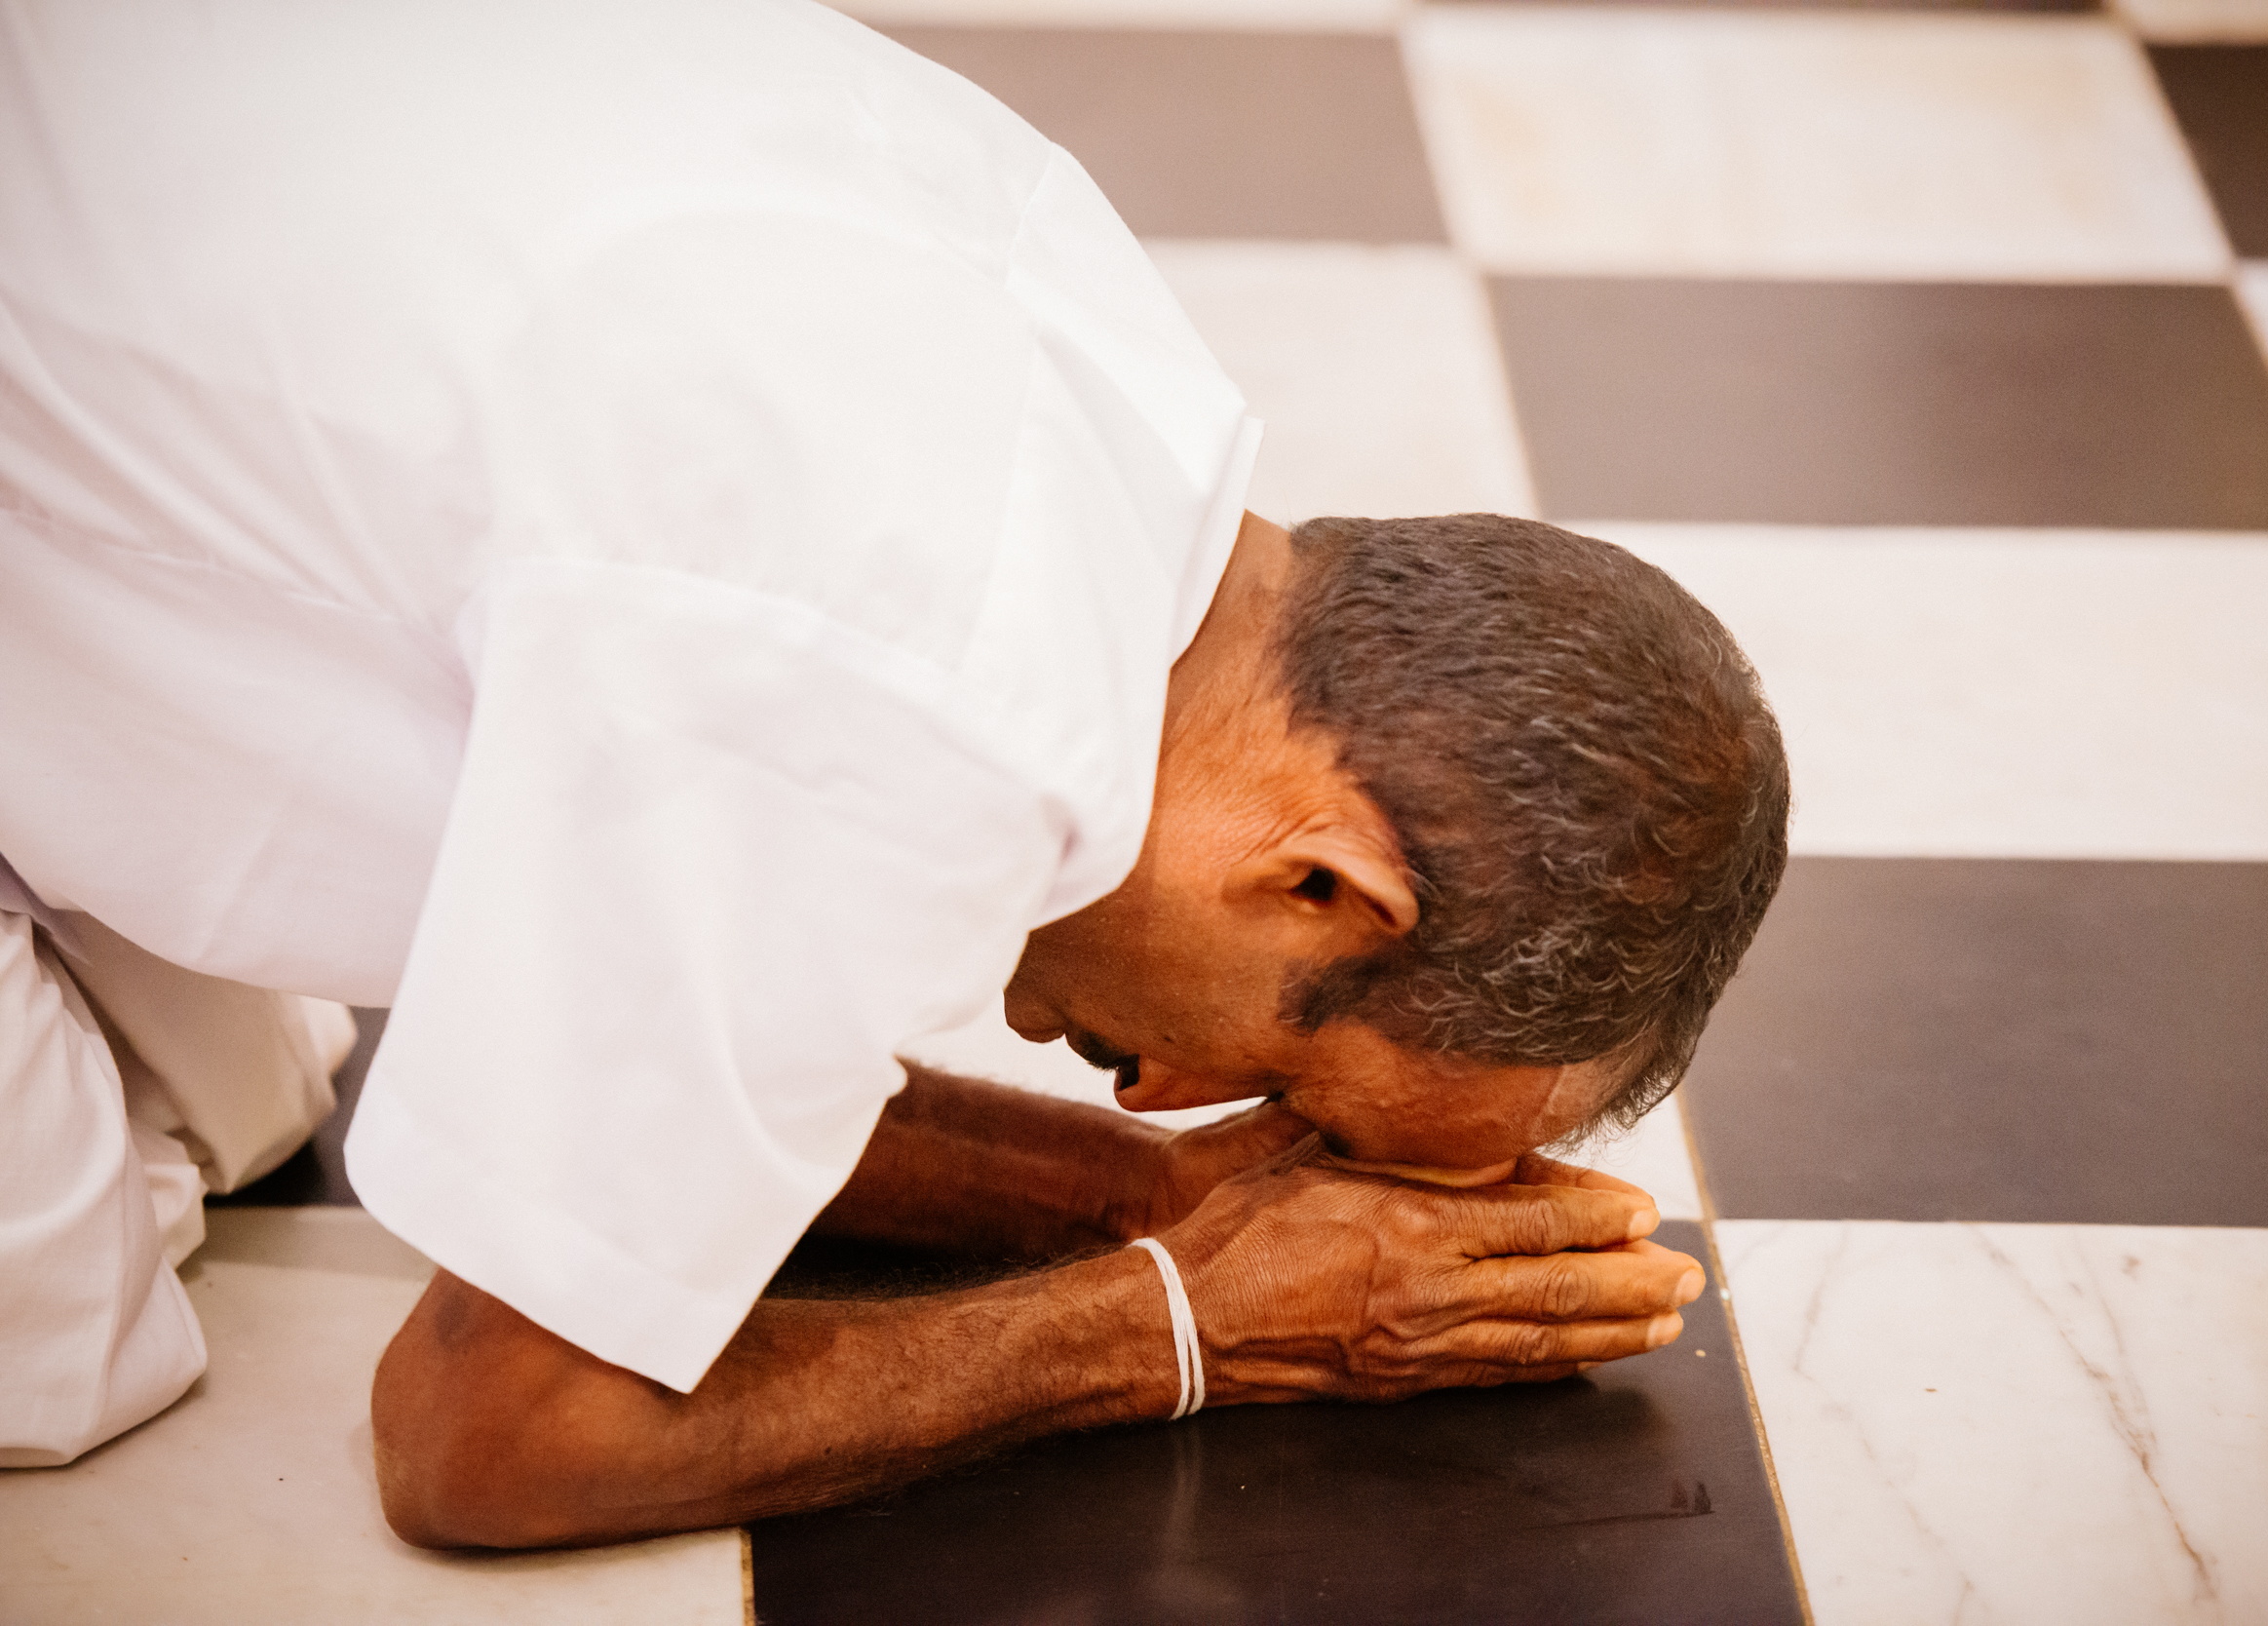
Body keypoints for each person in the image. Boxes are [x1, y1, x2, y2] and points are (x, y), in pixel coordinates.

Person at [0, 0, 1788, 1548]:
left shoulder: (1109, 398)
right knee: (68, 1344)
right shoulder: (915, 699)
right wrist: (1186, 1321)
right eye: (1286, 1089)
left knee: (249, 1099)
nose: (1166, 1098)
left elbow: (721, 1017)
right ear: (1324, 883)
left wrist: (1145, 1196)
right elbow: (486, 1439)